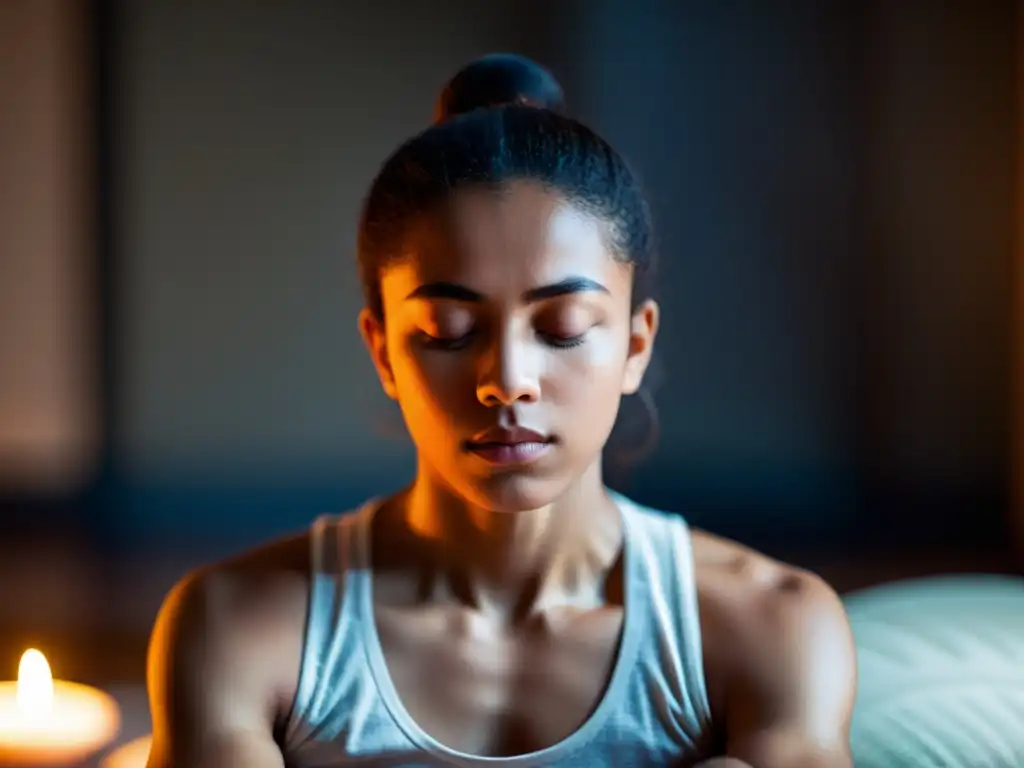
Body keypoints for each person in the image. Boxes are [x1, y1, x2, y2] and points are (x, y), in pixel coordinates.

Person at [145, 54, 856, 768]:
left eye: (564, 328)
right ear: (385, 351)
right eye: (449, 332)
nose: (508, 381)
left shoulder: (769, 626)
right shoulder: (239, 627)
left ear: (636, 345)